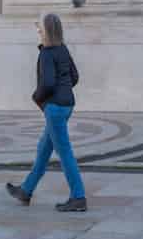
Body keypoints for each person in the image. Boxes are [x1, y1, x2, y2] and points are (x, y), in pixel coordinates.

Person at [5, 13, 87, 212]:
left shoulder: (47, 53)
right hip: (67, 105)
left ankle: (78, 197)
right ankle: (26, 190)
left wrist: (37, 97)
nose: (37, 29)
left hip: (55, 108)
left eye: (40, 26)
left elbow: (48, 83)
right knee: (43, 150)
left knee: (65, 153)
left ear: (46, 30)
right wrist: (64, 89)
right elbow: (74, 77)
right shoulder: (63, 49)